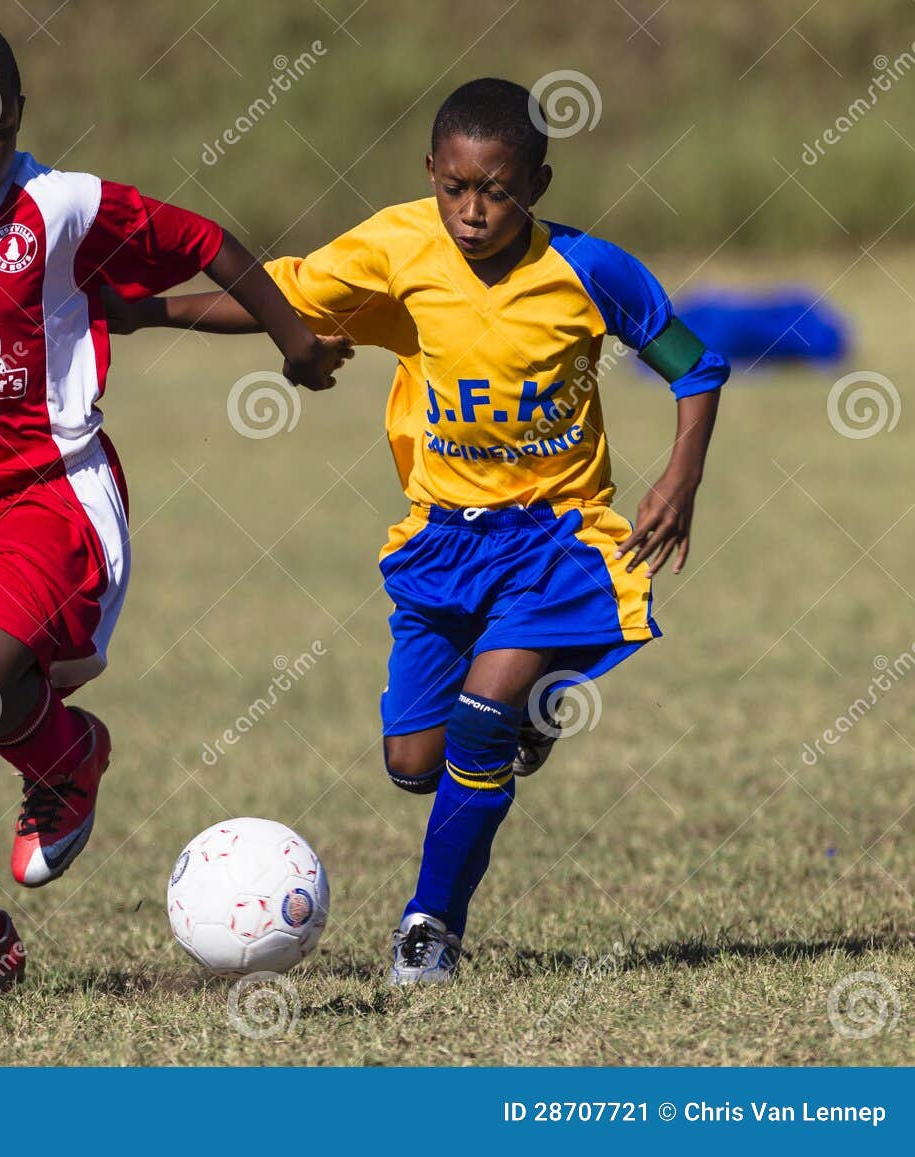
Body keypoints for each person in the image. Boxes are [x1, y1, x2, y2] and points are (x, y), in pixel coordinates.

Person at [107, 77, 728, 984]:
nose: (474, 212)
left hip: (555, 536)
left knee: (483, 716)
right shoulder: (397, 248)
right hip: (442, 538)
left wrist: (682, 473)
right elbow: (282, 298)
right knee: (412, 761)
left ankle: (430, 927)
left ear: (539, 185)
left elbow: (694, 361)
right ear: (431, 171)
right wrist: (145, 310)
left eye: (499, 191)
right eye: (456, 188)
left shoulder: (588, 271)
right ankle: (532, 714)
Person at [0, 18, 350, 1009]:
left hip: (52, 489)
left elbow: (205, 241)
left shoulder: (59, 206)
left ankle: (69, 758)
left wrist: (295, 343)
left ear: (19, 117)